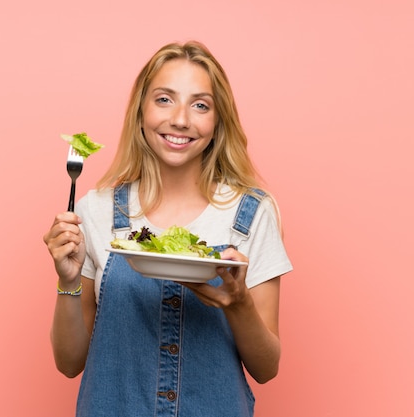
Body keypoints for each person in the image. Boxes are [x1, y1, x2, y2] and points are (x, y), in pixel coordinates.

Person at [43, 40, 293, 417]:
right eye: (164, 99)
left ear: (217, 121)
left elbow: (266, 369)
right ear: (141, 111)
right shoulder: (95, 210)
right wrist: (67, 280)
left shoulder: (253, 212)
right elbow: (68, 363)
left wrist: (238, 303)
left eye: (200, 105)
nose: (180, 119)